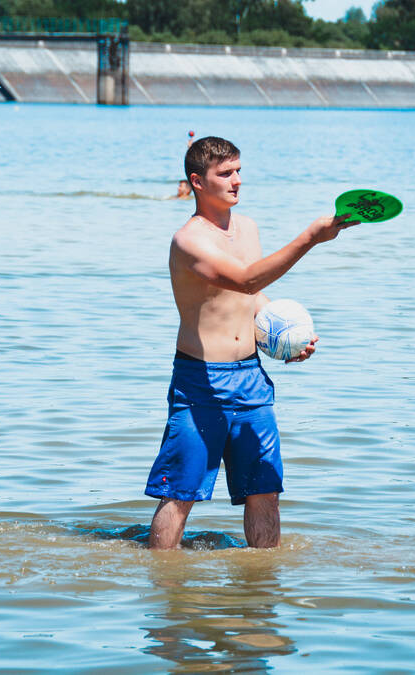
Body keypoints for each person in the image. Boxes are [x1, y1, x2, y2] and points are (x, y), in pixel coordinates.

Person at [144, 136, 359, 550]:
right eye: (224, 174)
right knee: (180, 493)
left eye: (239, 170)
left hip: (251, 379)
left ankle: (262, 589)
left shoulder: (249, 228)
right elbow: (246, 279)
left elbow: (252, 296)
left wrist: (285, 335)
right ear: (197, 182)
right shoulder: (189, 241)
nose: (236, 181)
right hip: (201, 381)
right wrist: (311, 237)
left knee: (265, 489)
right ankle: (163, 582)